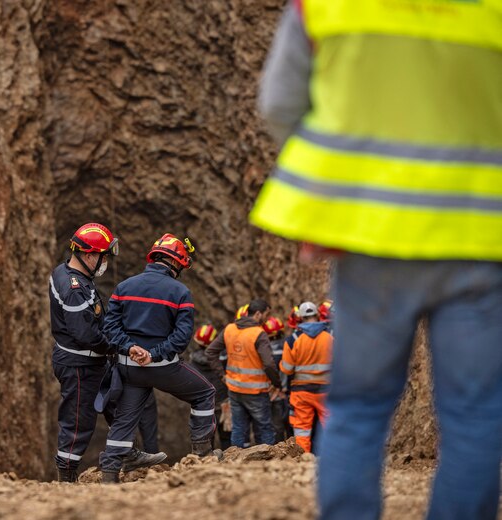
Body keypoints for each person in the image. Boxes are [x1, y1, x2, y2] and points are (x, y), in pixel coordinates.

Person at [252, 1, 502, 518]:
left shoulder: (326, 7)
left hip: (369, 237)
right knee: (476, 414)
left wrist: (328, 194)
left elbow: (279, 103)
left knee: (359, 408)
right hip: (480, 234)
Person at [99, 234, 216, 483]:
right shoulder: (180, 292)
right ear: (176, 263)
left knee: (124, 420)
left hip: (129, 368)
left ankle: (109, 474)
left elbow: (109, 328)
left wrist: (131, 348)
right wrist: (154, 354)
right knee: (205, 392)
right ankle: (202, 453)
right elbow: (182, 337)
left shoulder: (124, 287)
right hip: (164, 367)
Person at [48, 223, 120, 482]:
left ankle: (125, 454)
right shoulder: (74, 288)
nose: (105, 262)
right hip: (79, 364)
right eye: (103, 257)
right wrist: (113, 346)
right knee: (78, 419)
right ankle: (66, 474)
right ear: (89, 255)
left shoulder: (66, 274)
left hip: (88, 362)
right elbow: (85, 334)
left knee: (117, 404)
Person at [206, 299, 284, 448]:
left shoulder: (230, 329)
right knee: (264, 428)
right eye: (267, 314)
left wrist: (223, 376)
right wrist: (277, 384)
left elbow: (211, 352)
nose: (268, 319)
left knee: (238, 429)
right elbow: (268, 364)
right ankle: (267, 463)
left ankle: (236, 464)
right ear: (258, 314)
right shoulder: (259, 334)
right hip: (256, 391)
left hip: (234, 389)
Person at [280, 302, 332, 453]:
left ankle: (303, 461)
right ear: (317, 316)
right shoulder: (329, 337)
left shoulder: (293, 340)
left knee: (302, 430)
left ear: (301, 319)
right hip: (326, 391)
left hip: (301, 392)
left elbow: (287, 370)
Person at [189, 324, 231, 450]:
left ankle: (208, 461)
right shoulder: (222, 359)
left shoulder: (193, 361)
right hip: (224, 403)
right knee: (227, 438)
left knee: (206, 439)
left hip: (203, 405)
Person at [262, 316, 288, 443]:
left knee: (275, 426)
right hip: (286, 391)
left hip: (271, 393)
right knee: (289, 425)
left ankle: (277, 452)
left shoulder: (263, 349)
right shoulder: (287, 344)